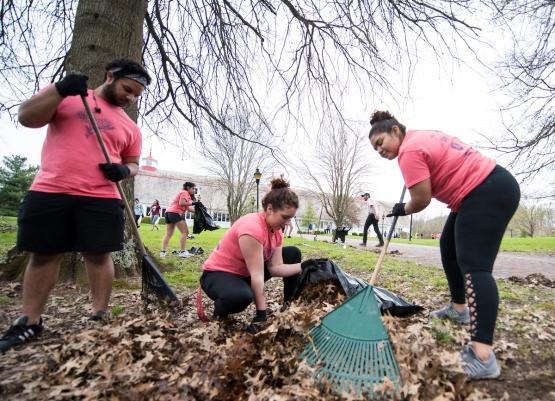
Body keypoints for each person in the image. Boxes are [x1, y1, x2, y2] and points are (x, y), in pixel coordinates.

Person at [0, 59, 151, 353]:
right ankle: (29, 321)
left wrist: (123, 171)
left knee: (98, 255)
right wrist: (58, 89)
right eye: (128, 89)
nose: (130, 98)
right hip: (51, 189)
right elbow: (27, 117)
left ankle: (99, 315)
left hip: (101, 197)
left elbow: (133, 164)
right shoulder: (69, 98)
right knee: (43, 255)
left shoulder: (130, 127)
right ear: (110, 76)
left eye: (136, 95)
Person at [368, 110, 520, 379]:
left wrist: (401, 209)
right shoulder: (420, 138)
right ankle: (459, 309)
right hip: (482, 189)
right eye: (375, 148)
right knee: (448, 248)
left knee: (475, 266)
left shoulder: (409, 151)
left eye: (380, 142)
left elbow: (422, 199)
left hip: (484, 190)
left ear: (395, 131)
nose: (380, 150)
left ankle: (483, 357)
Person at [200, 178, 302, 332]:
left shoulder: (276, 230)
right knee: (241, 297)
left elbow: (276, 268)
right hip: (218, 274)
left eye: (290, 218)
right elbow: (257, 275)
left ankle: (288, 306)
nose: (287, 223)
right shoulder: (252, 228)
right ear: (269, 209)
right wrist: (261, 315)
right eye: (285, 217)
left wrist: (305, 265)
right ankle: (220, 312)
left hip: (244, 274)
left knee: (293, 253)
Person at [160, 182, 196, 258]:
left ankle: (162, 252)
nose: (194, 190)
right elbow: (181, 203)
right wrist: (193, 203)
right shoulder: (184, 192)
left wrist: (199, 210)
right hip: (175, 213)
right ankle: (182, 252)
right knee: (185, 232)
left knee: (169, 234)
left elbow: (188, 208)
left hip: (168, 213)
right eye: (193, 188)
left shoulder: (186, 195)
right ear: (188, 187)